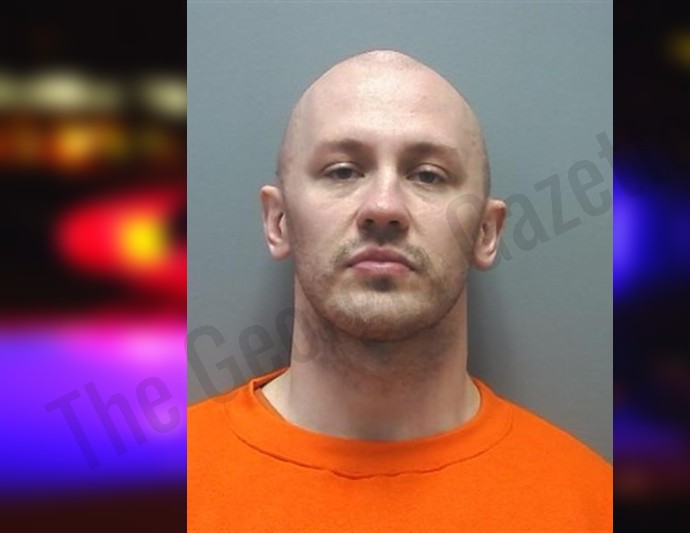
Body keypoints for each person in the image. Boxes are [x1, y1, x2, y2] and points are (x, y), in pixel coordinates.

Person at [188, 49, 611, 532]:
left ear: (485, 232)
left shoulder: (592, 506)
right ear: (278, 221)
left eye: (428, 175)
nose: (384, 207)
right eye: (342, 170)